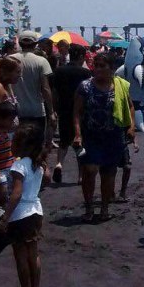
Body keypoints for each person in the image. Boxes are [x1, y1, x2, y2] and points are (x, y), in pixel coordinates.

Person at [72, 53, 136, 223]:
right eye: (96, 65)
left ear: (112, 68)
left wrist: (131, 127)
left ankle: (105, 208)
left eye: (102, 66)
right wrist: (77, 134)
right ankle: (89, 207)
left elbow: (130, 106)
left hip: (113, 136)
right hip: (91, 136)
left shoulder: (120, 86)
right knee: (89, 170)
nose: (98, 69)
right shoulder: (85, 87)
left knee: (108, 173)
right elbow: (77, 113)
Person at [0, 124, 46, 287]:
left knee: (20, 256)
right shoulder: (38, 164)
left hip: (20, 214)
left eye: (15, 142)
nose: (12, 144)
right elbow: (47, 179)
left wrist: (5, 218)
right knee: (34, 255)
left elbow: (16, 194)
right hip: (36, 211)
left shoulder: (18, 165)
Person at [51, 44, 92, 184]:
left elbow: (54, 93)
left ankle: (59, 164)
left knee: (63, 141)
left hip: (63, 109)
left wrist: (54, 109)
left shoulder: (59, 71)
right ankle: (80, 176)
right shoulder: (85, 73)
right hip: (80, 112)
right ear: (80, 56)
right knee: (80, 143)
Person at [11, 31, 56, 156]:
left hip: (16, 110)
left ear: (20, 43)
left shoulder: (11, 59)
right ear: (35, 44)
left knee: (19, 146)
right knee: (36, 147)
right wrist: (51, 112)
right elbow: (45, 88)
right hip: (36, 110)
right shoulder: (41, 61)